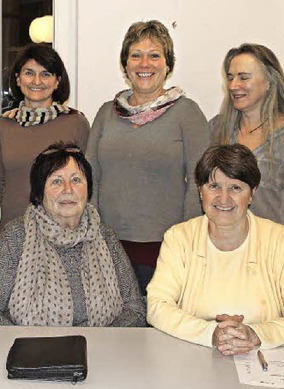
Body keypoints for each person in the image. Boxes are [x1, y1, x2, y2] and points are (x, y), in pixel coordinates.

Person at [147, 144, 284, 354]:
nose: (224, 198)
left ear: (252, 194)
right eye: (214, 186)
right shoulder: (179, 238)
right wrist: (211, 333)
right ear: (200, 191)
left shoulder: (282, 240)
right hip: (193, 353)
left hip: (264, 357)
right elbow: (157, 306)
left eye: (236, 188)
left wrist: (257, 334)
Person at [86, 20, 210, 293]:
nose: (145, 64)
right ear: (125, 64)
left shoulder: (187, 113)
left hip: (166, 250)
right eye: (136, 55)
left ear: (168, 64)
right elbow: (90, 175)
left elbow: (203, 181)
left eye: (154, 55)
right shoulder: (107, 113)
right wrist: (93, 234)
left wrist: (188, 239)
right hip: (108, 247)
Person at [0, 143, 145, 327]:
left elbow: (134, 308)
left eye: (76, 180)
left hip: (100, 350)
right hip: (32, 351)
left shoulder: (106, 236)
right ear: (39, 193)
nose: (68, 189)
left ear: (88, 189)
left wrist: (105, 342)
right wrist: (26, 345)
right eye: (56, 181)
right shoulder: (16, 237)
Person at [0, 44, 90, 274]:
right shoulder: (3, 127)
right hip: (13, 241)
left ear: (57, 81)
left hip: (64, 241)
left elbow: (87, 188)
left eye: (45, 73)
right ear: (17, 79)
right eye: (29, 72)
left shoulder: (76, 124)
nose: (36, 80)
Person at [210, 43, 284, 261]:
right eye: (230, 77)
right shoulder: (216, 130)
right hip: (220, 263)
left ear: (269, 81)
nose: (233, 85)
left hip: (273, 264)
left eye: (243, 77)